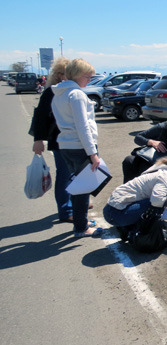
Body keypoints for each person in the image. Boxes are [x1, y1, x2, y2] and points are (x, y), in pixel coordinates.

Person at [51, 58, 103, 238]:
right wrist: (93, 153)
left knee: (76, 185)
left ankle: (81, 221)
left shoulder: (59, 93)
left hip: (66, 145)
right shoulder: (76, 94)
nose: (90, 80)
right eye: (88, 76)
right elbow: (83, 126)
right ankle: (81, 227)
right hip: (80, 146)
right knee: (83, 188)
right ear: (78, 75)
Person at [31, 57, 74, 222]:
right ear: (60, 75)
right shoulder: (52, 91)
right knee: (64, 174)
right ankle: (65, 209)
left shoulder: (68, 90)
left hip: (70, 139)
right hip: (59, 139)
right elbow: (41, 117)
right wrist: (39, 139)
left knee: (73, 174)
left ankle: (72, 201)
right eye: (68, 73)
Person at [122, 108, 167, 183]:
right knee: (129, 161)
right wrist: (151, 142)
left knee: (147, 170)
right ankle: (129, 189)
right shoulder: (161, 128)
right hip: (155, 157)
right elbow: (138, 138)